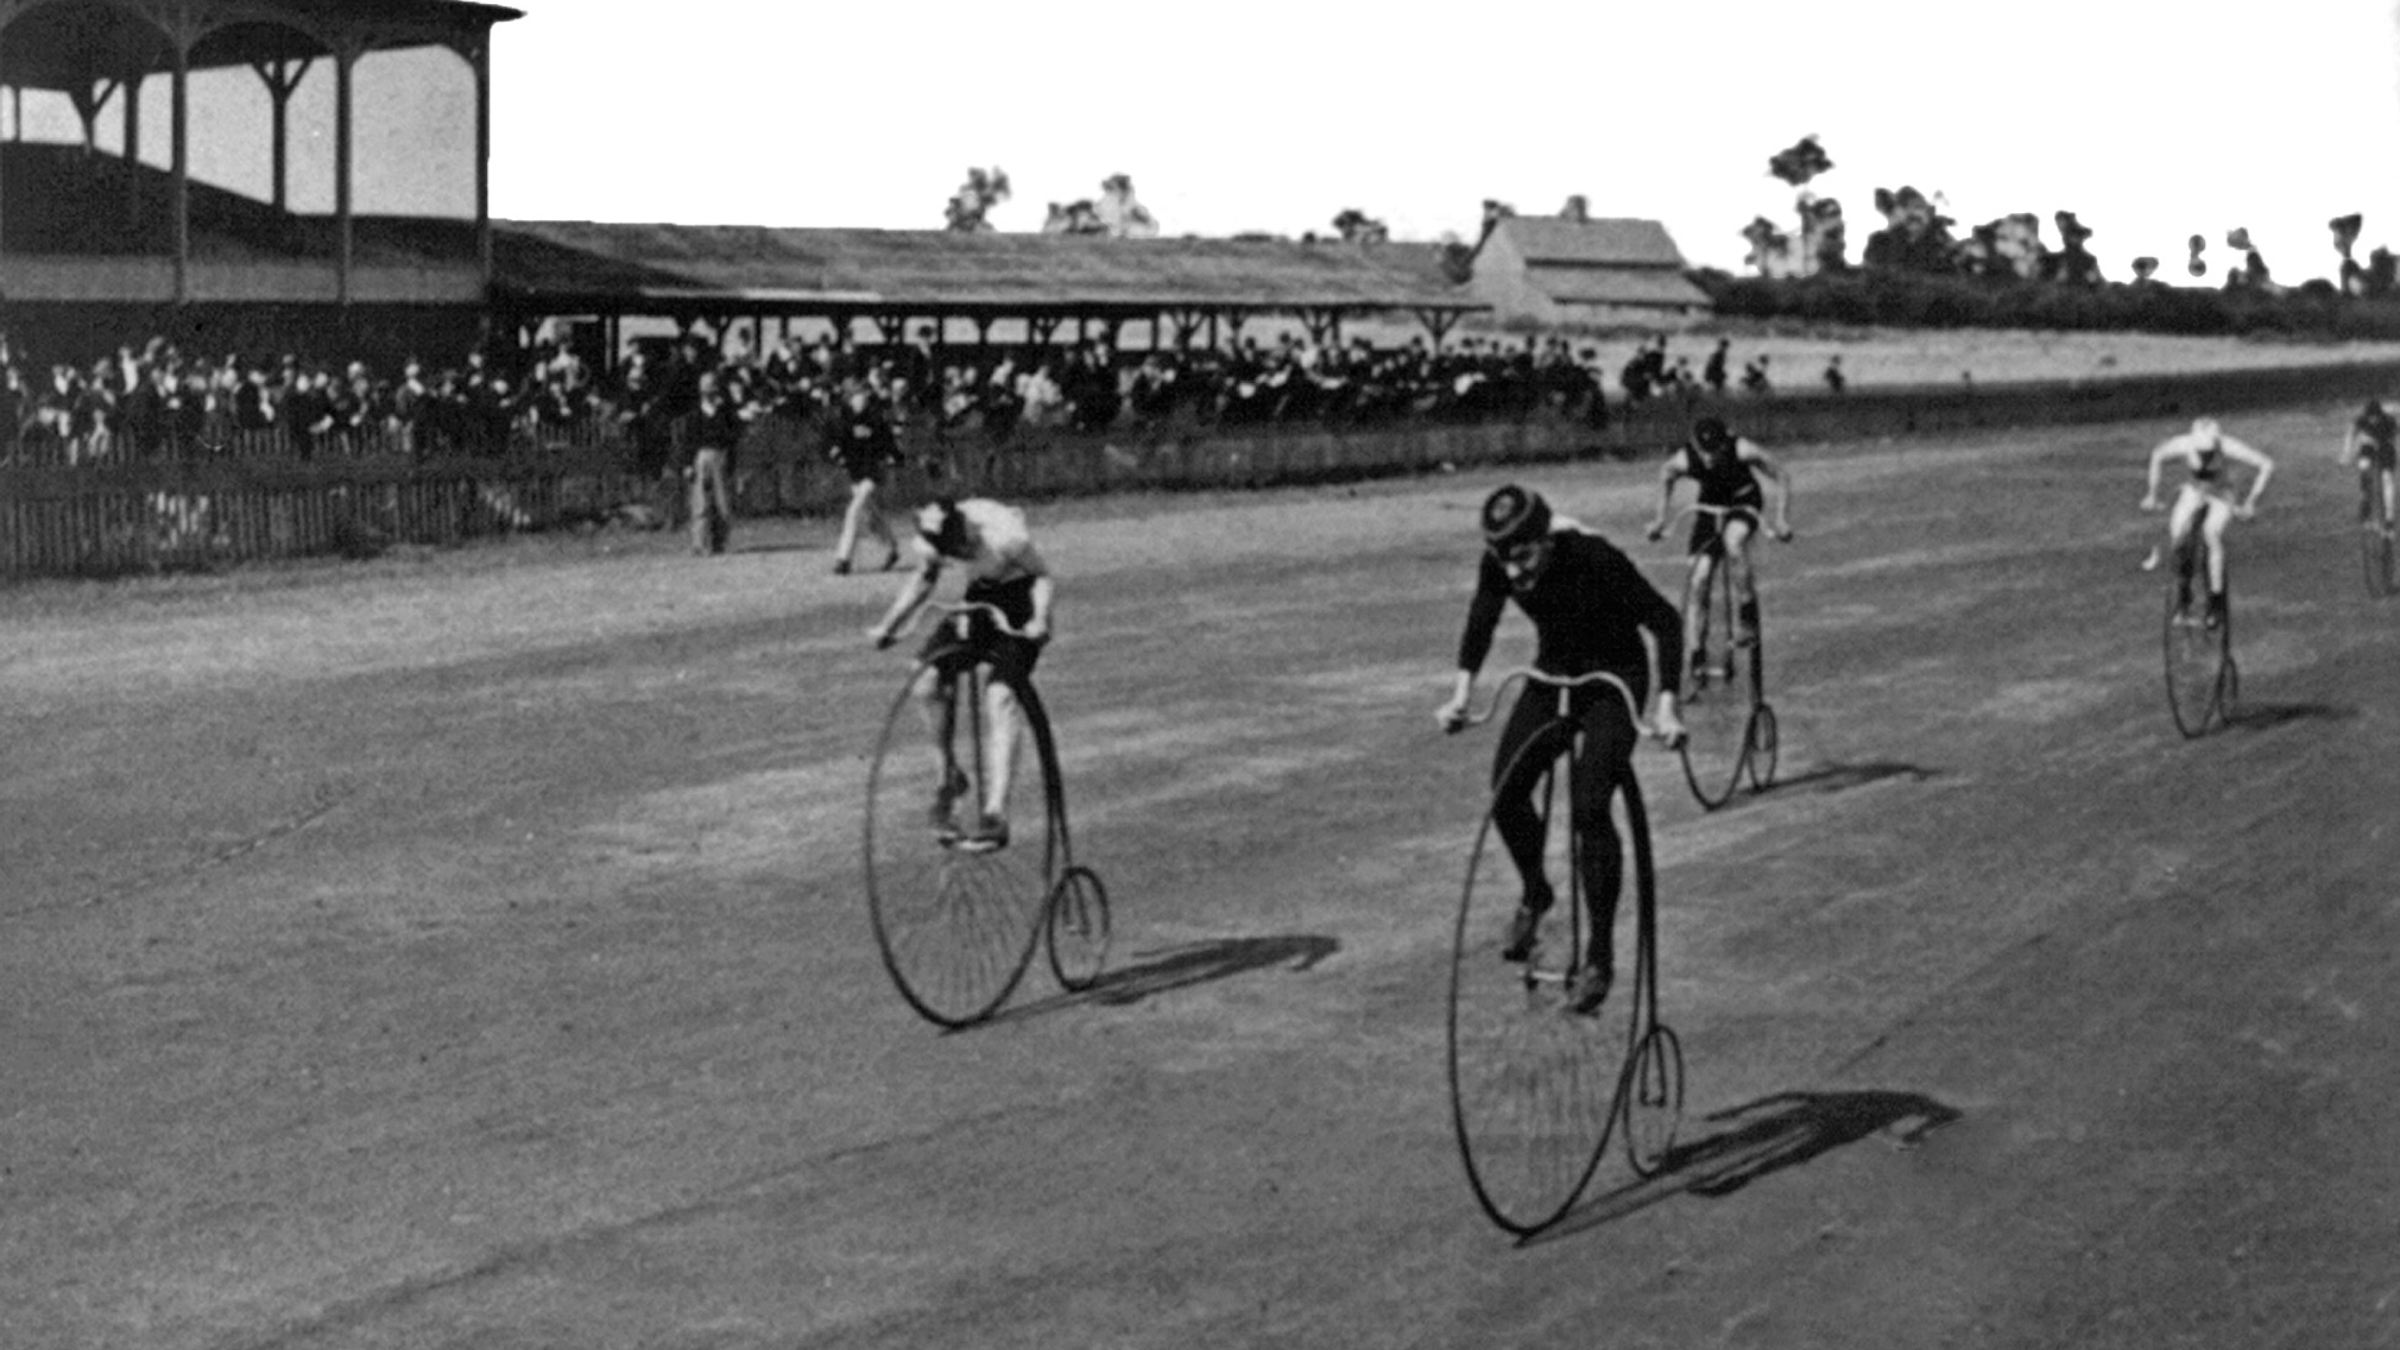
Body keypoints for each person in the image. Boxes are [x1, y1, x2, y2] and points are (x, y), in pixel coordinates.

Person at [1435, 485, 1687, 1016]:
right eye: (1503, 558)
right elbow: (1482, 617)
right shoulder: (1501, 563)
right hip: (1554, 670)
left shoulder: (1594, 557)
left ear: (1546, 539)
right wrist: (1461, 696)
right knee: (1505, 788)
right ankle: (1535, 891)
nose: (1514, 571)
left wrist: (1666, 707)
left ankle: (1598, 957)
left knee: (1590, 804)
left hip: (1615, 673)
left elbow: (1665, 620)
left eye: (1523, 555)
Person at [869, 497, 1055, 852]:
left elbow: (1042, 577)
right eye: (953, 550)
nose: (961, 551)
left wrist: (1040, 619)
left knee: (1000, 696)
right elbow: (924, 578)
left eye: (963, 544)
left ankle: (996, 813)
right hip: (979, 600)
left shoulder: (1003, 533)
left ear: (966, 525)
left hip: (1020, 601)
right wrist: (888, 627)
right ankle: (949, 778)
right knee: (925, 679)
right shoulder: (933, 539)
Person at [1645, 416, 1794, 681]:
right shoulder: (1684, 459)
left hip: (1743, 502)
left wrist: (1781, 519)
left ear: (1726, 444)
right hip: (1709, 509)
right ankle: (1696, 653)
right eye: (1705, 453)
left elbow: (1781, 475)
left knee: (1733, 542)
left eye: (1717, 451)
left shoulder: (1743, 449)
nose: (1710, 459)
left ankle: (1746, 614)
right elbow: (1665, 476)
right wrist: (1659, 519)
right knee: (1699, 578)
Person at [2141, 416, 2274, 628]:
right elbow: (2157, 455)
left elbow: (2266, 464)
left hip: (2222, 492)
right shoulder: (2184, 443)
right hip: (2194, 490)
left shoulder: (2228, 446)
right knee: (2178, 535)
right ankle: (2183, 598)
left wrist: (2251, 502)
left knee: (2211, 533)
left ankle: (2215, 602)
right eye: (2202, 451)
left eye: (2209, 452)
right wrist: (2152, 494)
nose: (2205, 456)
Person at [830, 381, 903, 574]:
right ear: (849, 399)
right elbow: (836, 444)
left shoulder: (875, 420)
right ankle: (892, 548)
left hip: (873, 472)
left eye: (863, 395)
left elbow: (891, 446)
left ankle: (843, 559)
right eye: (856, 395)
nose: (860, 399)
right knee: (872, 518)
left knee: (853, 510)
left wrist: (893, 457)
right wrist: (836, 454)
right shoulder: (844, 421)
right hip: (856, 474)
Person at [684, 370, 758, 555]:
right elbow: (688, 441)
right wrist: (687, 464)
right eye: (706, 388)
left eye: (712, 388)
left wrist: (731, 461)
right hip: (701, 456)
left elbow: (733, 437)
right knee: (700, 502)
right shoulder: (694, 414)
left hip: (720, 456)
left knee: (722, 502)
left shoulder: (725, 413)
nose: (709, 392)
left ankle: (719, 542)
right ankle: (699, 544)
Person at [2342, 398, 2397, 535]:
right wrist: (2346, 453)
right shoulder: (2360, 419)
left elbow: (2396, 437)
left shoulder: (2389, 421)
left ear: (2380, 415)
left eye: (2375, 418)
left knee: (2387, 480)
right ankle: (2365, 497)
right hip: (2368, 446)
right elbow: (2351, 435)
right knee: (2364, 466)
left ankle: (2389, 519)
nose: (2373, 420)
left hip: (2386, 446)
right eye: (2370, 418)